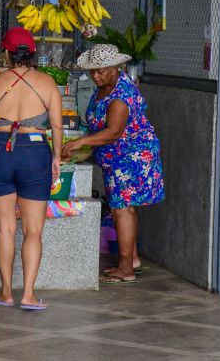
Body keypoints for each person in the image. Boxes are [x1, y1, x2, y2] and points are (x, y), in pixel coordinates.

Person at [0, 27, 63, 311]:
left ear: (5, 53)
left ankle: (6, 292)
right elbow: (56, 126)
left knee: (5, 228)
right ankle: (28, 295)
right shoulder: (48, 83)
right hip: (35, 153)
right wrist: (56, 157)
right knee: (33, 231)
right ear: (32, 54)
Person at [62, 44, 165, 284]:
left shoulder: (121, 95)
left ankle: (125, 269)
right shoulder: (105, 88)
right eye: (92, 71)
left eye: (100, 71)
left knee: (122, 210)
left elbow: (114, 132)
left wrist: (81, 143)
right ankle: (132, 260)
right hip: (117, 157)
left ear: (116, 67)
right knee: (126, 208)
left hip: (131, 156)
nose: (95, 76)